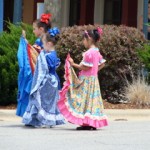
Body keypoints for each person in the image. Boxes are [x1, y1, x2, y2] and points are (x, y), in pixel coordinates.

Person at [58, 27, 108, 130]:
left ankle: (86, 122)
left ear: (89, 39)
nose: (83, 42)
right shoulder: (96, 52)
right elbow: (102, 63)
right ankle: (90, 123)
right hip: (94, 80)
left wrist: (73, 64)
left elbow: (85, 67)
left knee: (84, 100)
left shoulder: (89, 53)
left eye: (84, 40)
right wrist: (95, 70)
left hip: (86, 80)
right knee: (92, 100)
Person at [22, 27, 65, 128]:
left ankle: (40, 119)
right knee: (50, 102)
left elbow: (43, 69)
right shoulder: (54, 54)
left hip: (47, 81)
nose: (43, 46)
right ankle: (50, 119)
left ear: (49, 44)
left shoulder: (46, 56)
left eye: (44, 43)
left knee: (41, 99)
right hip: (54, 80)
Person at [16, 13, 52, 117]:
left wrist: (24, 42)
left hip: (39, 73)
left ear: (41, 29)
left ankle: (34, 115)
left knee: (35, 93)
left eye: (34, 29)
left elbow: (33, 53)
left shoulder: (40, 40)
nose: (33, 31)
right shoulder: (49, 38)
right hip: (48, 71)